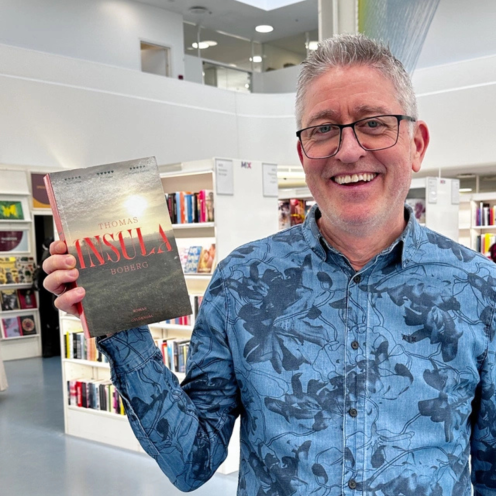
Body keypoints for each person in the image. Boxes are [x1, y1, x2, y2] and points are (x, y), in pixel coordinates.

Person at [43, 35, 496, 494]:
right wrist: (118, 321)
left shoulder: (481, 290)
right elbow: (192, 461)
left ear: (417, 145)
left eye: (374, 123)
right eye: (323, 129)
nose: (348, 149)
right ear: (303, 155)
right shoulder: (243, 281)